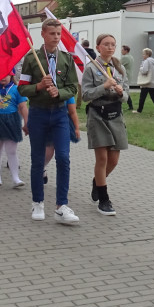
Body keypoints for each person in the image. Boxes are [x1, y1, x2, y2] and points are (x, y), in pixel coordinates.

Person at [18, 18, 80, 225]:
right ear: (43, 34)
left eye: (58, 34)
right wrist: (39, 87)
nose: (56, 37)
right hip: (38, 113)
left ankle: (61, 205)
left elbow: (72, 87)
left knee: (63, 158)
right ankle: (37, 201)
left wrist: (59, 92)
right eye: (52, 33)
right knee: (37, 160)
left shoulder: (66, 59)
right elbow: (22, 88)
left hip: (60, 114)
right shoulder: (32, 58)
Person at [82, 33, 128, 216]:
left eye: (113, 45)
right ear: (98, 47)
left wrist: (119, 92)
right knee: (102, 159)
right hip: (97, 115)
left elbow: (127, 96)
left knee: (114, 160)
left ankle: (97, 181)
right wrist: (104, 86)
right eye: (106, 44)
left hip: (115, 115)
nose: (110, 47)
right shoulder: (91, 69)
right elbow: (85, 95)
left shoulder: (119, 68)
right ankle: (104, 199)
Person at [0, 70, 29, 188]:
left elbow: (23, 107)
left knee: (12, 151)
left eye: (6, 74)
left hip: (12, 121)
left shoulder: (17, 89)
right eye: (0, 74)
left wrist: (26, 122)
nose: (3, 77)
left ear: (12, 76)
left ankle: (16, 178)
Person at [136, 47, 154, 114]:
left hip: (147, 82)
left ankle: (139, 110)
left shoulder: (146, 61)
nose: (143, 55)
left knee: (142, 96)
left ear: (147, 55)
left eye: (144, 54)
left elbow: (145, 71)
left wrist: (141, 68)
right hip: (153, 82)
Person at [120, 45, 135, 110]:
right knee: (125, 90)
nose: (121, 51)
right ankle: (130, 105)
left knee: (122, 90)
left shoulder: (125, 57)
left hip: (125, 76)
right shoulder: (131, 57)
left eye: (122, 50)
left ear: (126, 51)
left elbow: (118, 65)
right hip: (129, 75)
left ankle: (129, 105)